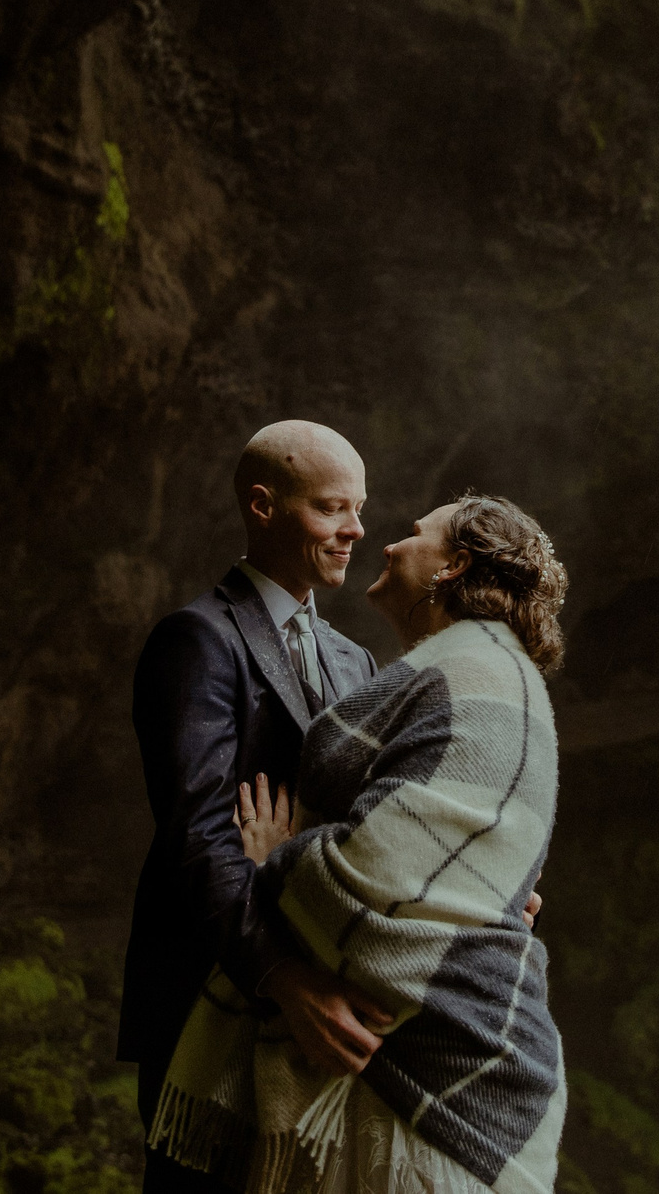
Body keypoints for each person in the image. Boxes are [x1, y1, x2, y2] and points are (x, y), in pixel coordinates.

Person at [149, 494, 570, 1194]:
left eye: (414, 533)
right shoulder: (456, 675)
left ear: (454, 564)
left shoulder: (476, 675)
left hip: (431, 1082)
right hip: (412, 1062)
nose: (385, 542)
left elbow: (380, 870)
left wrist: (270, 867)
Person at [122, 421, 388, 1194]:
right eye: (333, 507)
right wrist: (282, 978)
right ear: (264, 506)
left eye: (360, 508)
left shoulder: (353, 658)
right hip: (210, 1000)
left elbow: (368, 829)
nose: (356, 530)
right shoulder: (196, 639)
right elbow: (200, 839)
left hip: (316, 1008)